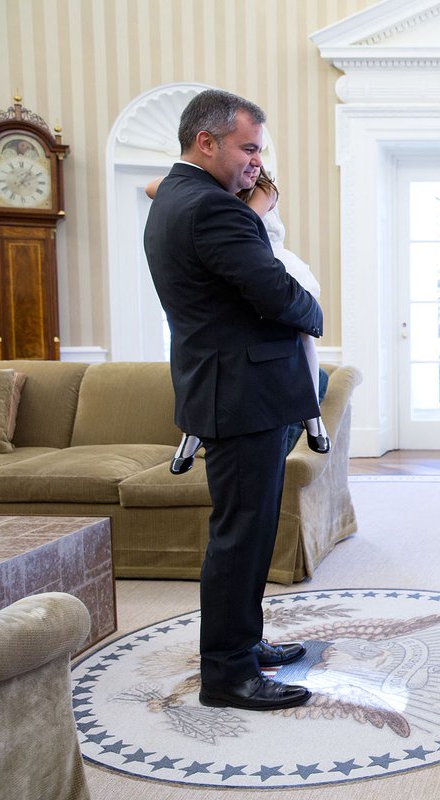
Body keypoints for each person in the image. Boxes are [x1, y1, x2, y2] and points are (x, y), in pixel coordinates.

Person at [144, 88, 323, 711]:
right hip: (241, 396)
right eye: (248, 149)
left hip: (231, 389)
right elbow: (275, 290)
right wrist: (315, 311)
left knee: (247, 531)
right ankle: (227, 675)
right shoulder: (214, 210)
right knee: (240, 536)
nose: (255, 162)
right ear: (207, 142)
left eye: (258, 150)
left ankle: (244, 644)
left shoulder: (173, 196)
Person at [146, 167, 331, 475]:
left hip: (271, 265)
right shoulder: (208, 196)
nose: (251, 164)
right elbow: (152, 188)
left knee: (303, 337)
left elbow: (247, 226)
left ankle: (313, 418)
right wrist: (195, 187)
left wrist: (211, 199)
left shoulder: (264, 189)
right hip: (236, 268)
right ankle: (191, 437)